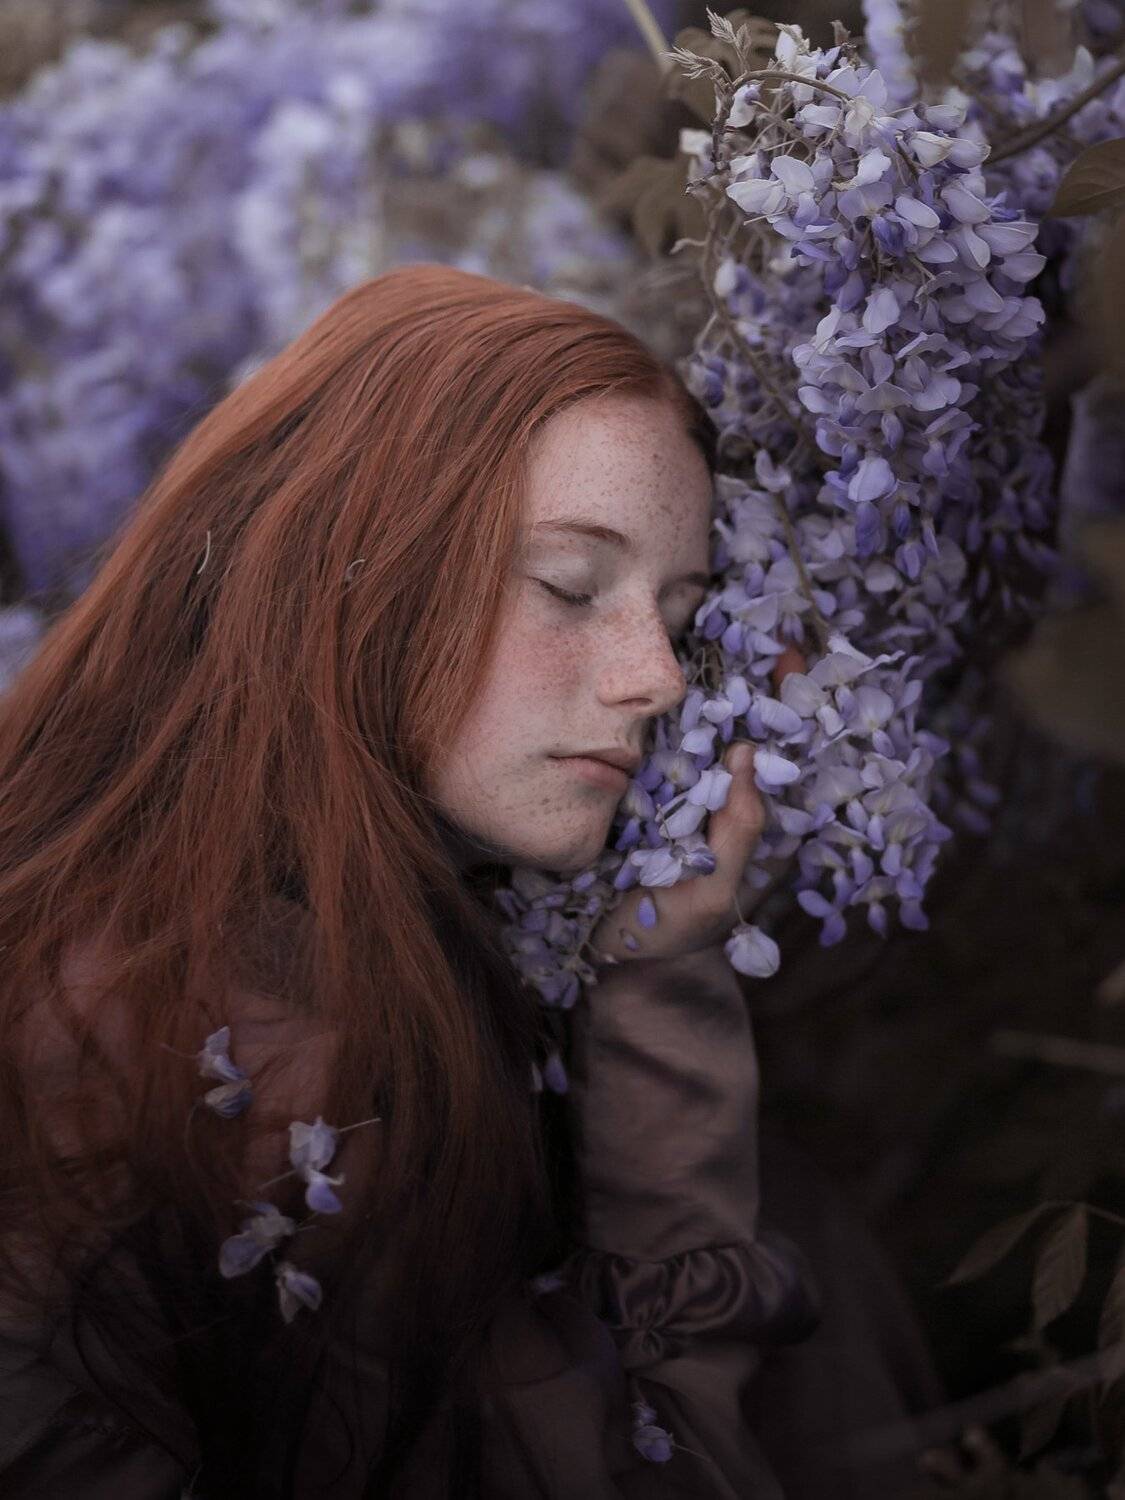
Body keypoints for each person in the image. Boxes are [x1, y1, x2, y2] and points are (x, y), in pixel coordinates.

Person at [0, 264, 936, 1498]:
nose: (659, 678)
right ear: (348, 571)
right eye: (569, 586)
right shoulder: (197, 1061)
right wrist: (661, 1010)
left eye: (679, 615)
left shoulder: (356, 944)